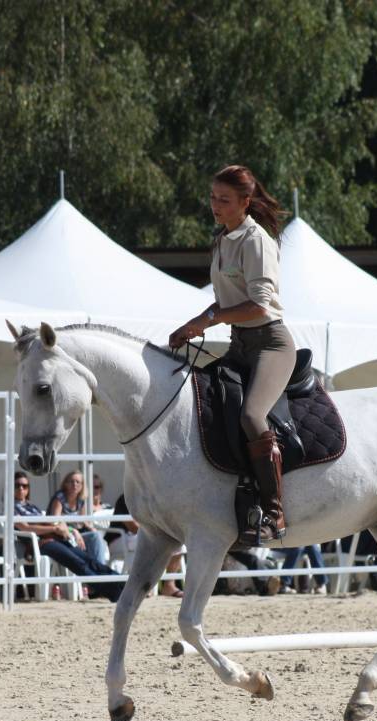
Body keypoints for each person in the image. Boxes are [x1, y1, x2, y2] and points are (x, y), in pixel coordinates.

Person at [169, 164, 292, 547]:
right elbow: (223, 303)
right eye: (212, 198)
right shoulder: (223, 239)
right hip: (240, 344)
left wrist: (207, 322)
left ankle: (274, 511)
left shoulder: (256, 240)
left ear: (246, 202)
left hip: (271, 344)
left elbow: (258, 306)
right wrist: (192, 323)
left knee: (252, 415)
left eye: (224, 200)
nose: (215, 206)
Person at [12, 471, 123, 602]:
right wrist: (54, 528)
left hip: (56, 538)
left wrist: (69, 529)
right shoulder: (11, 507)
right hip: (41, 543)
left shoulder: (32, 507)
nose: (21, 489)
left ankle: (118, 580)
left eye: (25, 486)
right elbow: (25, 527)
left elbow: (57, 522)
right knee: (77, 562)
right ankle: (111, 590)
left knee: (87, 559)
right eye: (17, 485)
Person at [108, 493, 183, 597]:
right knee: (153, 543)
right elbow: (133, 527)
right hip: (119, 539)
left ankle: (169, 585)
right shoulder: (127, 497)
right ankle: (143, 587)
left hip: (142, 536)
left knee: (177, 543)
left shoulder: (153, 498)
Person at [49, 470, 110, 566]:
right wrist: (74, 531)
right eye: (71, 481)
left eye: (78, 482)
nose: (74, 484)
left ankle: (96, 571)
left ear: (82, 486)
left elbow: (83, 521)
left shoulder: (80, 500)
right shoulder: (60, 498)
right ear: (65, 484)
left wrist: (91, 528)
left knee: (95, 535)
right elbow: (55, 522)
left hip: (75, 535)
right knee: (93, 538)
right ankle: (99, 571)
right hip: (61, 536)